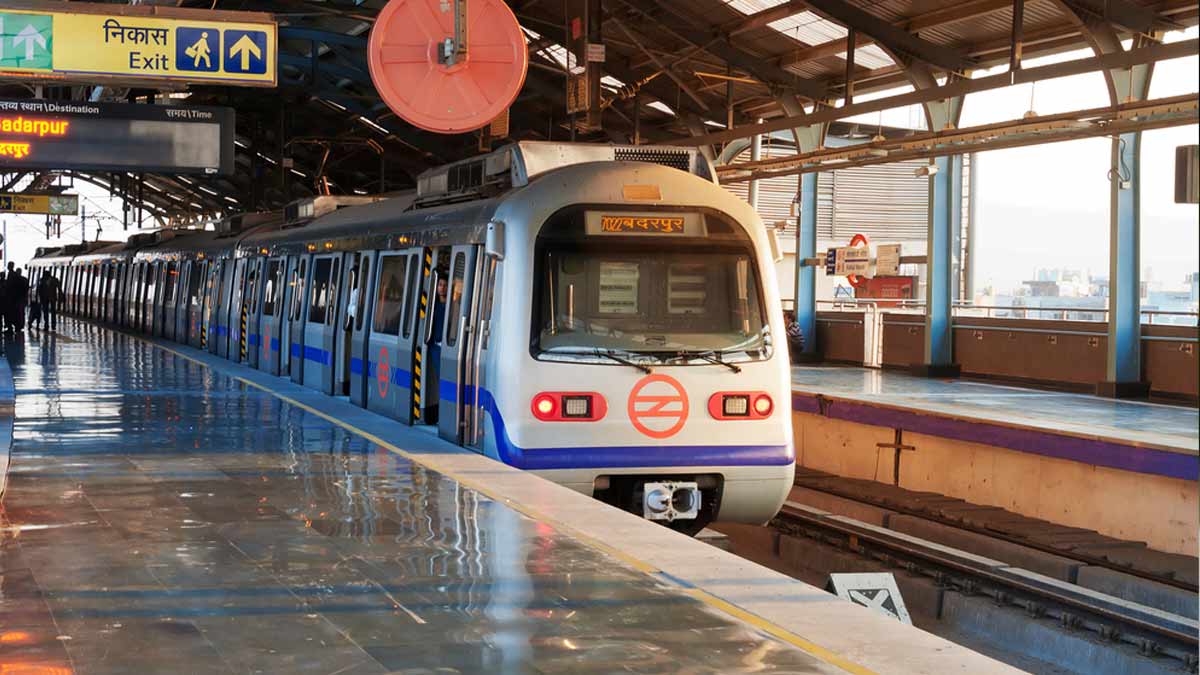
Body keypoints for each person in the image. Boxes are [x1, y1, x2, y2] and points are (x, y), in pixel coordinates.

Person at [5, 263, 29, 332]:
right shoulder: (22, 279)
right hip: (18, 298)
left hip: (13, 298)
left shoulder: (12, 275)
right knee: (19, 313)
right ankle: (18, 325)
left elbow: (10, 287)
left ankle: (14, 326)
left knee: (14, 313)